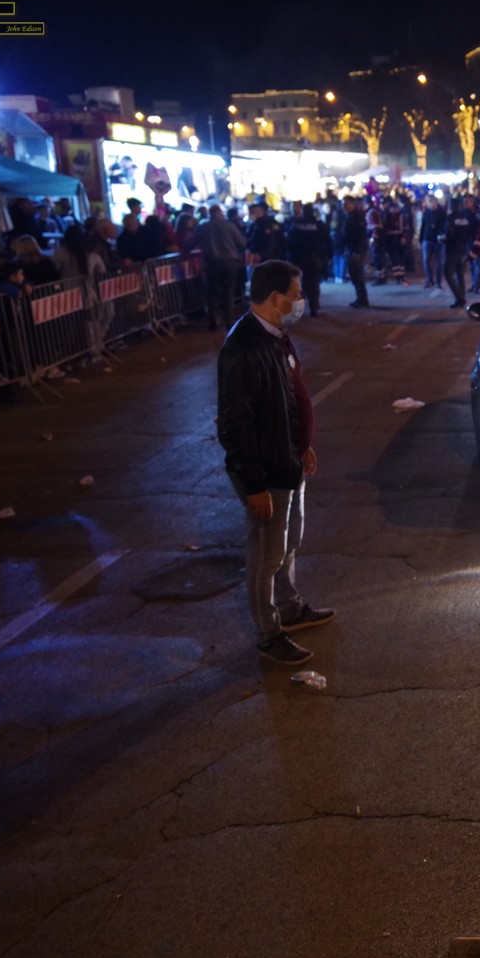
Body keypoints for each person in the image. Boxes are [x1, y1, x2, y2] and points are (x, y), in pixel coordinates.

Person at [216, 259, 334, 667]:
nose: (301, 302)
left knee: (288, 545)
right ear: (274, 298)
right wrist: (254, 484)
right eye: (296, 296)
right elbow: (235, 423)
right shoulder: (244, 347)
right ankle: (268, 635)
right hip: (266, 471)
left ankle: (290, 608)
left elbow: (287, 397)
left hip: (289, 461)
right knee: (265, 558)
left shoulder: (276, 336)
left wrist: (302, 445)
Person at [197, 206, 248, 330]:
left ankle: (213, 321)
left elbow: (191, 241)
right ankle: (229, 321)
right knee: (228, 291)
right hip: (229, 261)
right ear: (219, 213)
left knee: (212, 292)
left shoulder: (203, 227)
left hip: (211, 262)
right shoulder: (229, 225)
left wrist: (184, 253)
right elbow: (242, 242)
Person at [286, 205, 332, 317]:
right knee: (313, 284)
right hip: (314, 259)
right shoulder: (319, 224)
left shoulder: (297, 225)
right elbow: (328, 241)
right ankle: (314, 308)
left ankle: (298, 309)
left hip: (299, 259)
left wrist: (291, 258)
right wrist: (328, 256)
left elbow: (290, 242)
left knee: (299, 284)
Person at [444, 195, 477, 308]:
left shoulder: (451, 218)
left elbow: (449, 234)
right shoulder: (466, 217)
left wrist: (442, 238)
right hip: (464, 249)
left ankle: (460, 298)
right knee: (460, 274)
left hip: (452, 249)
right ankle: (461, 298)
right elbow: (471, 232)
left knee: (448, 274)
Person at [343, 196, 370, 308]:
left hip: (357, 250)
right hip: (351, 249)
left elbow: (361, 236)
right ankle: (360, 298)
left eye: (346, 204)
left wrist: (358, 251)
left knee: (357, 275)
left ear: (352, 204)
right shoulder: (349, 216)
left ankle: (363, 299)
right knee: (353, 274)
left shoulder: (358, 217)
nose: (344, 206)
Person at [419, 196, 447, 290]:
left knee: (439, 262)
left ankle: (438, 281)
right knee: (426, 260)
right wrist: (420, 240)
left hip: (438, 240)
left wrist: (441, 234)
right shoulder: (426, 212)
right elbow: (423, 226)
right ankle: (429, 280)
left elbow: (445, 226)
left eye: (432, 201)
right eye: (429, 201)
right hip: (427, 239)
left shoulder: (441, 213)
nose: (431, 203)